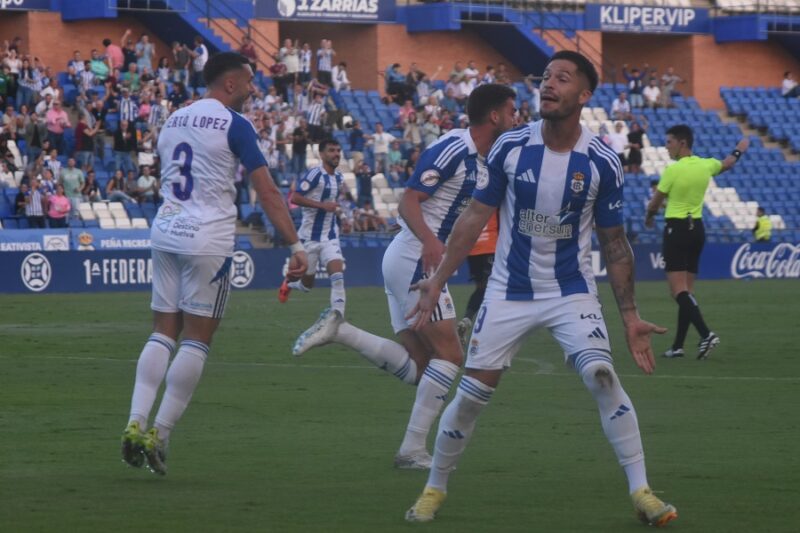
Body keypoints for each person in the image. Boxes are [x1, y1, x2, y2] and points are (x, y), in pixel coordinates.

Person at [404, 51, 677, 528]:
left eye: (563, 78)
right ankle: (434, 488)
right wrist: (439, 279)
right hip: (508, 291)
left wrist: (630, 316)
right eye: (546, 76)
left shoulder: (602, 162)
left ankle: (642, 492)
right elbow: (473, 218)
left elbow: (615, 244)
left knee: (603, 377)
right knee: (470, 397)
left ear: (584, 95)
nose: (549, 84)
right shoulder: (510, 147)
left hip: (571, 291)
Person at [290, 84, 517, 470]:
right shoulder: (455, 146)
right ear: (494, 115)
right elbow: (408, 199)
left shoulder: (486, 161)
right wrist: (431, 242)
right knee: (450, 355)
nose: (516, 118)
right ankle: (411, 450)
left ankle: (341, 331)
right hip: (415, 259)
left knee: (421, 366)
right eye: (512, 111)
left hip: (410, 259)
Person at [119, 52, 308, 476]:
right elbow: (268, 191)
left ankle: (135, 421)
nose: (252, 89)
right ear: (229, 84)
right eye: (249, 82)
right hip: (208, 238)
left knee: (162, 330)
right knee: (198, 339)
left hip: (166, 230)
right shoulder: (234, 124)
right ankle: (159, 435)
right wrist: (295, 244)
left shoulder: (173, 118)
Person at [646, 124, 748, 360]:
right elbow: (727, 164)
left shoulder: (673, 170)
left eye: (669, 142)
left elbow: (654, 203)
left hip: (676, 229)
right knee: (687, 291)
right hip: (697, 230)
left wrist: (649, 217)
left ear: (682, 143)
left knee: (677, 290)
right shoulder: (705, 164)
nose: (666, 146)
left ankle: (706, 334)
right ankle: (678, 346)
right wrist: (738, 150)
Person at [277, 139, 347, 314]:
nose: (336, 154)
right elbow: (295, 198)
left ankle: (337, 317)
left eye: (338, 150)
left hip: (330, 236)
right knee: (307, 285)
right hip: (308, 237)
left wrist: (342, 217)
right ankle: (290, 283)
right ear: (322, 154)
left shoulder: (339, 177)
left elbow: (333, 204)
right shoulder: (315, 174)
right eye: (331, 150)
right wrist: (322, 206)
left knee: (337, 278)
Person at [457, 211, 498, 349]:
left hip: (473, 249)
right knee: (492, 289)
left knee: (481, 288)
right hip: (490, 246)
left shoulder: (473, 200)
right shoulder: (497, 198)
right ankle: (488, 331)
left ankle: (467, 319)